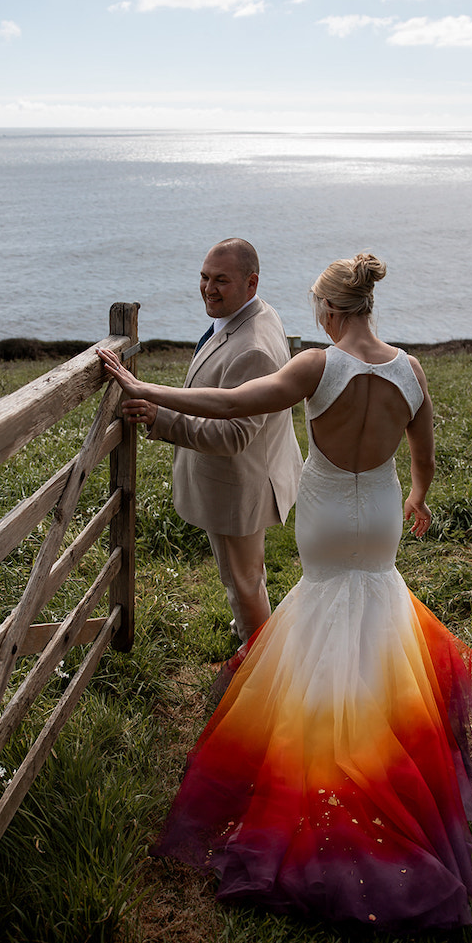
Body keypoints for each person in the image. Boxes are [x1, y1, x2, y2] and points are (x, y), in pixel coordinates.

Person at [98, 252, 472, 930]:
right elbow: (424, 455)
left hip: (329, 520)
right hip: (381, 522)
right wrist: (418, 497)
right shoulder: (410, 369)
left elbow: (232, 402)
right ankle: (380, 736)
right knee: (377, 613)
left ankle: (323, 751)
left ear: (331, 312)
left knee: (318, 618)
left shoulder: (317, 364)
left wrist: (144, 387)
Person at [121, 238, 302, 644]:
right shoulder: (259, 313)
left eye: (221, 280)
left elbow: (235, 435)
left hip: (241, 487)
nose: (208, 288)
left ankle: (257, 668)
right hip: (254, 474)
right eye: (204, 277)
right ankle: (251, 640)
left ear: (251, 283)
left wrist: (160, 418)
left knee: (243, 583)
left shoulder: (252, 348)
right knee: (248, 574)